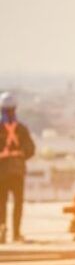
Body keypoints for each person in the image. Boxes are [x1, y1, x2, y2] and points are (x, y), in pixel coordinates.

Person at [0, 92, 35, 243]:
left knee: (3, 203)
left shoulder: (19, 129)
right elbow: (30, 149)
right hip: (16, 171)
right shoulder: (21, 129)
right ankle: (14, 233)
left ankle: (5, 233)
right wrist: (20, 155)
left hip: (5, 172)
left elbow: (30, 149)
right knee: (15, 203)